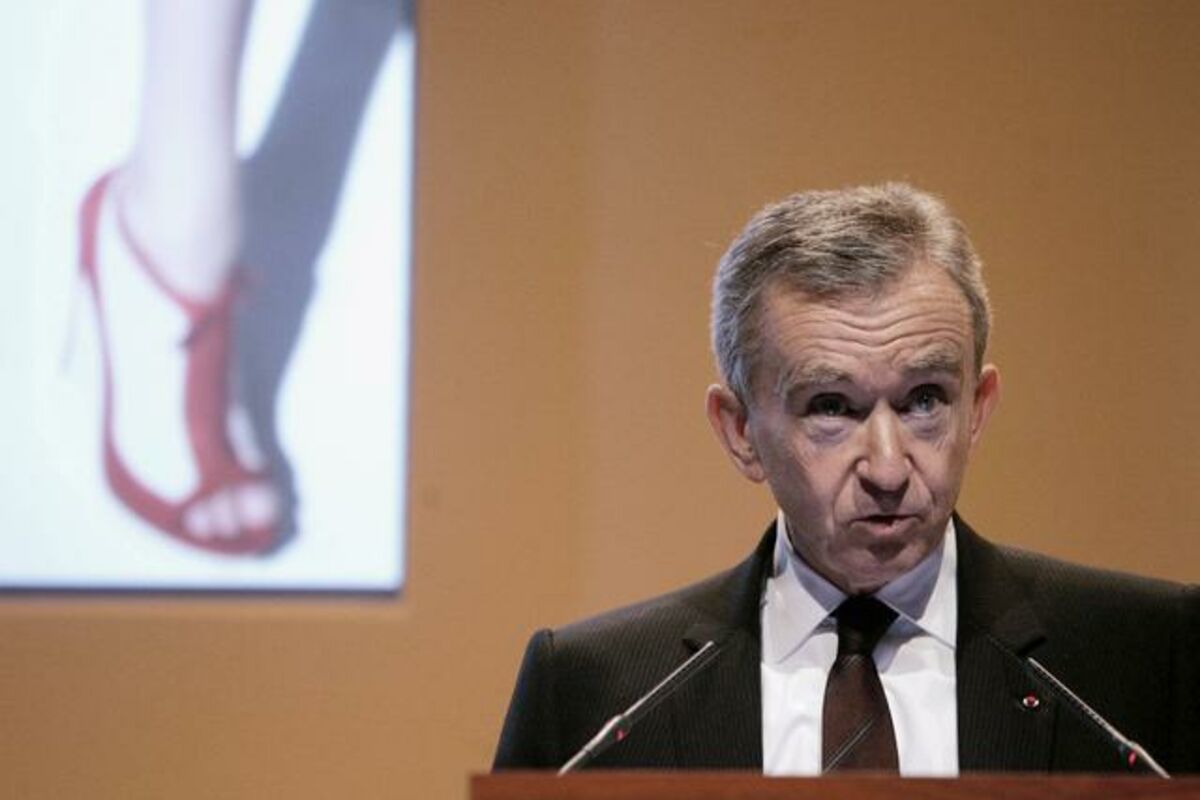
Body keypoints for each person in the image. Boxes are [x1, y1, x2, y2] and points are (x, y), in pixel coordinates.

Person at [492, 183, 1199, 775]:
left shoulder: (1146, 658)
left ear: (978, 408)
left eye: (924, 400)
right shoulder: (599, 692)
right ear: (740, 431)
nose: (888, 468)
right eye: (831, 407)